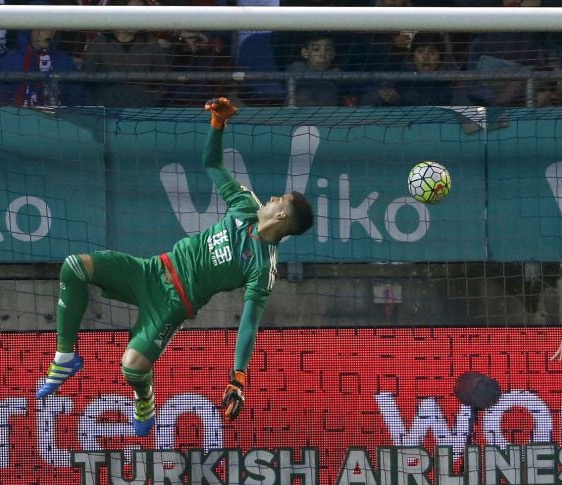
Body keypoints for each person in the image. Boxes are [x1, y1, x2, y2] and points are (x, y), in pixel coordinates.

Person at [35, 97, 315, 437]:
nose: (271, 199)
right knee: (74, 266)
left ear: (282, 216)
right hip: (151, 270)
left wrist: (238, 377)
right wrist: (217, 125)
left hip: (172, 305)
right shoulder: (245, 204)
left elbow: (249, 325)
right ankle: (65, 356)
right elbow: (211, 163)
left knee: (131, 367)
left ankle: (145, 398)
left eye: (278, 200)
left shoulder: (263, 266)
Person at [286, 32, 340, 107]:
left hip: (327, 113)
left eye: (327, 49)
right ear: (305, 53)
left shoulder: (337, 74)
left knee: (327, 92)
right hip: (300, 113)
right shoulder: (297, 68)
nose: (322, 53)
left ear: (333, 53)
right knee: (304, 93)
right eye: (316, 49)